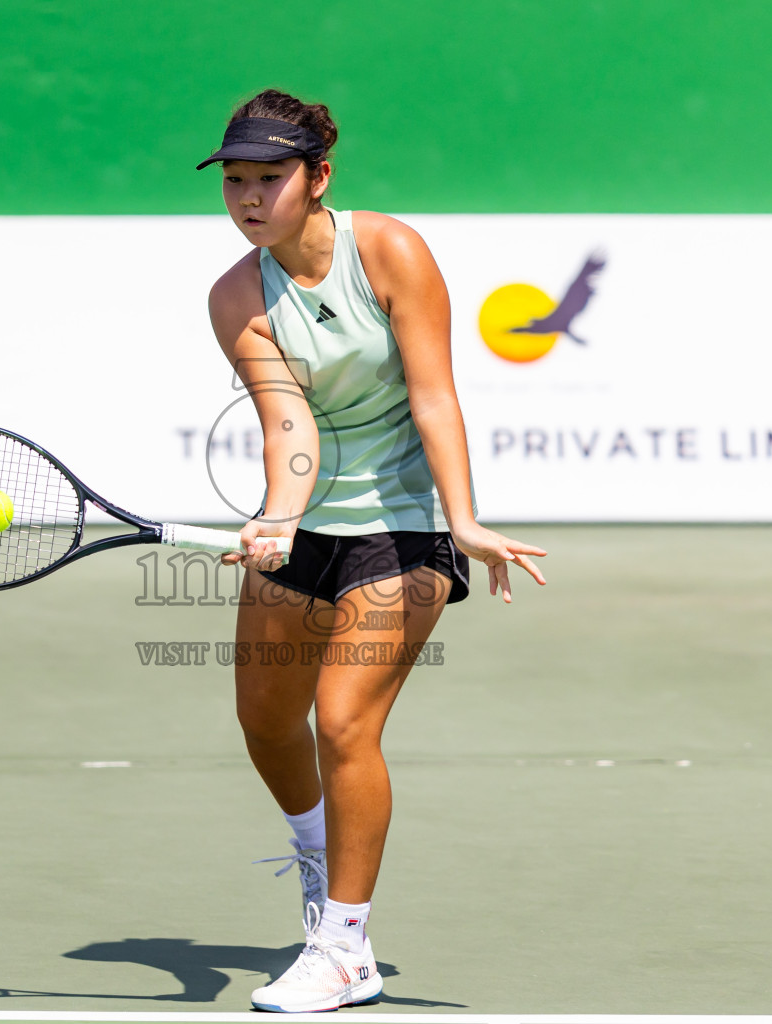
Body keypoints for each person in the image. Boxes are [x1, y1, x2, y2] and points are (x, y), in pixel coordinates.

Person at [199, 89, 547, 1013]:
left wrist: (465, 519)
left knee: (344, 720)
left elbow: (433, 394)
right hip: (306, 530)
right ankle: (316, 856)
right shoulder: (236, 295)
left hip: (401, 527)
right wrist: (279, 513)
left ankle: (345, 949)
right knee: (267, 725)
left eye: (269, 177)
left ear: (318, 178)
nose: (248, 196)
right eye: (235, 180)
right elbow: (288, 420)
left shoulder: (388, 251)